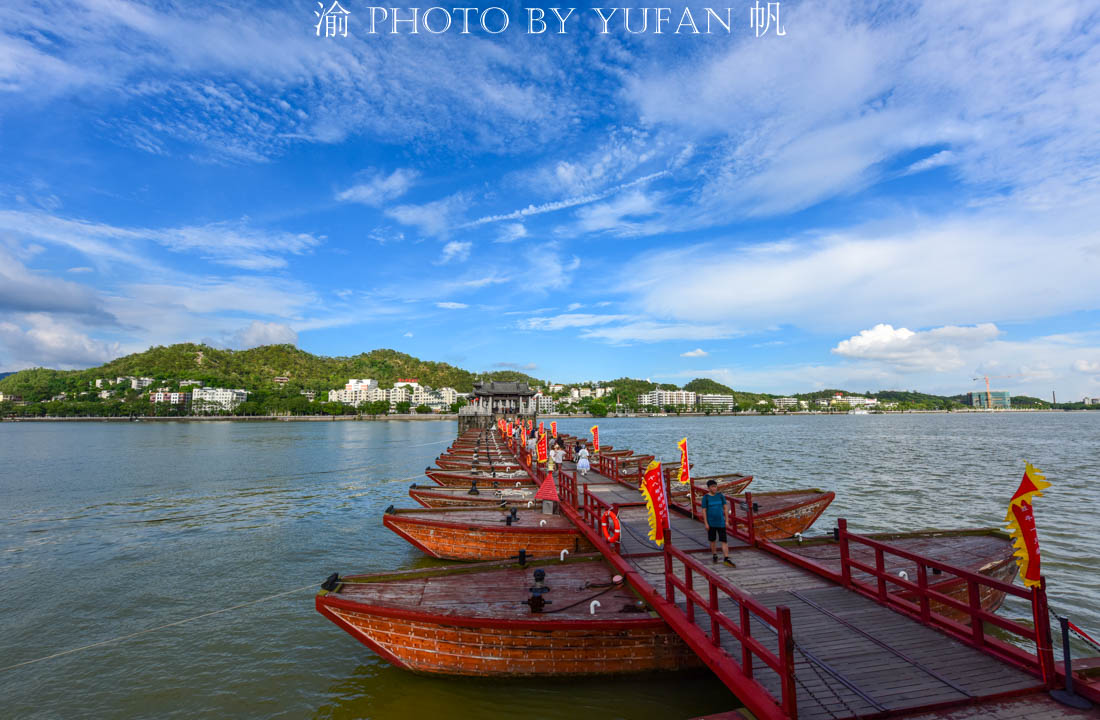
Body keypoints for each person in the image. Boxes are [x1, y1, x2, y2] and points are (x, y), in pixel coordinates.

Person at [701, 480, 735, 566]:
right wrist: (706, 523)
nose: (714, 488)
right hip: (711, 523)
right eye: (712, 487)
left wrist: (726, 521)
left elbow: (725, 508)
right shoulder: (706, 498)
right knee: (712, 540)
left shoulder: (720, 496)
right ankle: (714, 554)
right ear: (708, 488)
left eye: (715, 486)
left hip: (721, 522)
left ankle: (726, 558)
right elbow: (704, 511)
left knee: (724, 540)